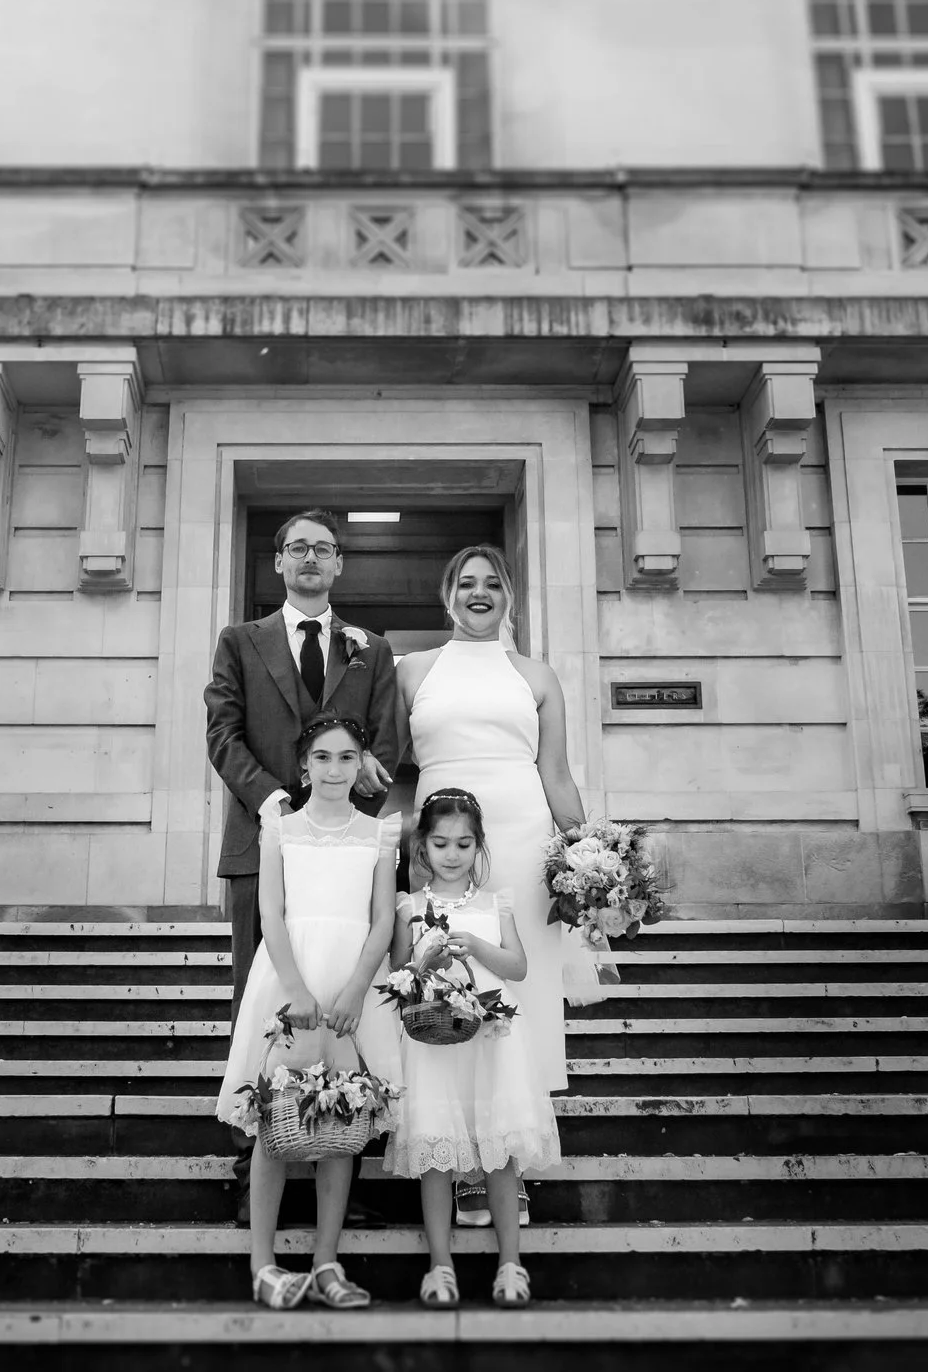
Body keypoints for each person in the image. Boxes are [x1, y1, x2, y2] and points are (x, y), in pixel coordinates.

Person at [204, 508, 402, 1218]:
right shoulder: (239, 640)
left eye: (323, 548)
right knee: (266, 999)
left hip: (346, 854)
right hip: (266, 840)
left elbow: (389, 739)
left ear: (340, 563)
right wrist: (273, 804)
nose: (311, 558)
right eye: (298, 549)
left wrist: (363, 772)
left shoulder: (370, 650)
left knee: (350, 996)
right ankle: (257, 1148)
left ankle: (348, 1138)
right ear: (279, 564)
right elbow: (223, 733)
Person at [397, 544, 593, 1229]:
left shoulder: (536, 675)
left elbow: (558, 774)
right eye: (466, 584)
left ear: (509, 596)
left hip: (518, 837)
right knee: (449, 984)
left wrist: (593, 858)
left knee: (517, 993)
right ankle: (460, 1159)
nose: (480, 594)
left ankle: (510, 1156)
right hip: (441, 844)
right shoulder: (411, 670)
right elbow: (391, 769)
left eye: (493, 584)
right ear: (446, 595)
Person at [212, 716, 403, 1310]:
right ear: (304, 767)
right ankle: (263, 1264)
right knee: (278, 1118)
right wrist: (294, 988)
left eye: (347, 758)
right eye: (322, 758)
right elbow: (271, 913)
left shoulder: (379, 834)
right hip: (289, 981)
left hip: (350, 983)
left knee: (340, 1124)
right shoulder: (280, 828)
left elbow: (381, 921)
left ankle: (326, 1260)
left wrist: (354, 991)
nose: (334, 769)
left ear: (362, 765)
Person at [386, 787, 556, 1309]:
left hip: (494, 1040)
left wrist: (477, 945)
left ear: (478, 846)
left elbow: (518, 967)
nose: (452, 854)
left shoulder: (495, 903)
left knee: (500, 1152)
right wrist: (426, 961)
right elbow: (397, 977)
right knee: (437, 1150)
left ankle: (511, 1264)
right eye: (440, 844)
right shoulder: (409, 907)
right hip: (435, 1041)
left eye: (463, 844)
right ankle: (441, 1266)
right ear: (423, 848)